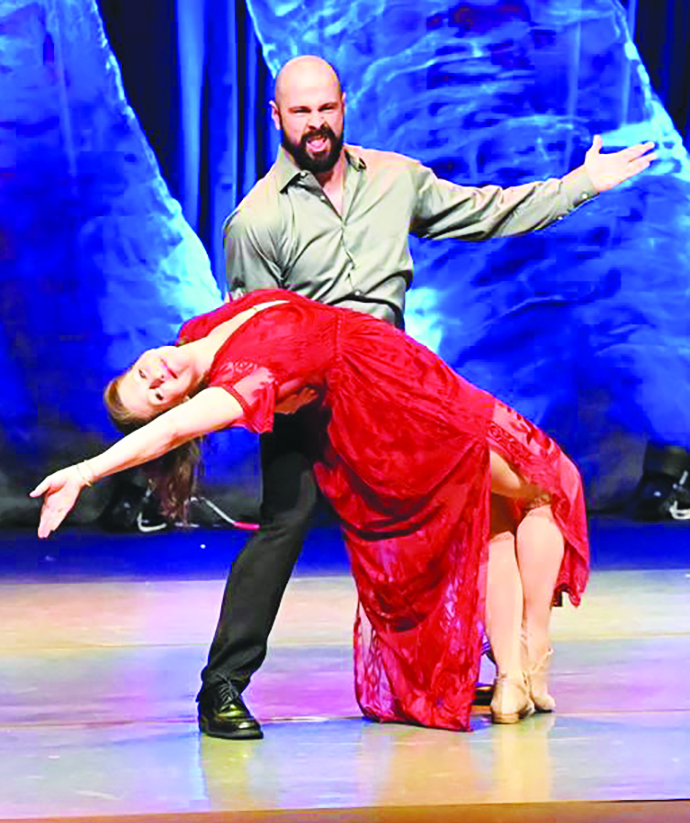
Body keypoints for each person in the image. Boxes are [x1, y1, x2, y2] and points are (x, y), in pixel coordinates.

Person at [188, 54, 654, 737]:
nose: (316, 124)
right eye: (301, 112)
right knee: (284, 524)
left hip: (398, 387)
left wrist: (579, 185)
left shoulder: (396, 178)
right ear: (276, 116)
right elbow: (252, 330)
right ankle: (221, 686)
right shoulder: (256, 221)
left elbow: (487, 211)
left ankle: (490, 667)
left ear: (342, 105)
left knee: (470, 501)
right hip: (312, 397)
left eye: (326, 108)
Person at [32, 290, 590, 732]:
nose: (155, 376)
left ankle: (516, 682)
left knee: (493, 509)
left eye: (140, 374)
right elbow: (173, 432)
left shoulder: (199, 331)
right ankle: (531, 660)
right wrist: (85, 472)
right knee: (550, 481)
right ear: (175, 406)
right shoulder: (236, 386)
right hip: (402, 409)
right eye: (154, 395)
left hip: (410, 370)